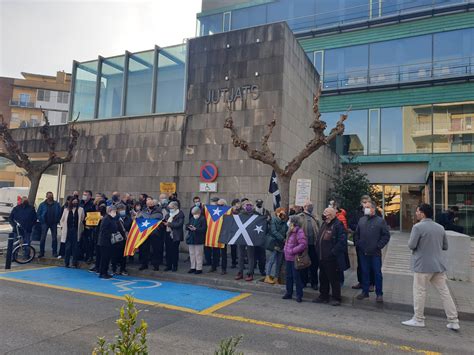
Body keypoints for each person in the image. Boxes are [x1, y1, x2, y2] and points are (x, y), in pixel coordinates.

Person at [402, 204, 460, 330]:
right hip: (438, 265)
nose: (416, 213)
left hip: (422, 265)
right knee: (445, 293)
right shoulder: (440, 227)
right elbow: (445, 246)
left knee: (419, 292)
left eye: (417, 211)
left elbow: (411, 245)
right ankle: (453, 320)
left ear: (422, 213)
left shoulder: (417, 227)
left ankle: (418, 318)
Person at [354, 201, 391, 303]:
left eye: (368, 207)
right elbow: (357, 233)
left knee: (377, 273)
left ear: (373, 209)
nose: (365, 209)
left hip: (375, 253)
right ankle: (364, 292)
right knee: (364, 272)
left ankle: (379, 294)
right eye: (364, 207)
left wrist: (378, 246)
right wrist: (358, 243)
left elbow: (386, 235)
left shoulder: (380, 221)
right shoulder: (362, 220)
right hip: (363, 252)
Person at [313, 208, 348, 306]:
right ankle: (323, 296)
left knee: (334, 279)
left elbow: (341, 242)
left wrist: (332, 253)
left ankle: (336, 298)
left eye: (326, 213)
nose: (324, 215)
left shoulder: (337, 225)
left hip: (331, 258)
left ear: (332, 215)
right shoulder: (325, 223)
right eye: (324, 212)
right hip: (322, 257)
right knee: (323, 277)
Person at [350, 195, 376, 291]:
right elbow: (351, 224)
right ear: (361, 203)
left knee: (371, 263)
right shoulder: (356, 212)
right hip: (360, 242)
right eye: (364, 202)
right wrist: (360, 227)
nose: (365, 204)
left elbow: (379, 223)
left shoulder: (374, 211)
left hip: (371, 242)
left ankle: (371, 284)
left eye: (367, 202)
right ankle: (361, 282)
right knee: (360, 263)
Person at [282, 215, 308, 303]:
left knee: (296, 277)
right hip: (288, 257)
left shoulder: (299, 231)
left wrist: (292, 250)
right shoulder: (290, 231)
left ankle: (299, 295)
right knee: (288, 276)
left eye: (290, 220)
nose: (288, 222)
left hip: (295, 258)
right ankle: (289, 293)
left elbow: (303, 244)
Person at [138, 198, 164, 271]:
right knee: (144, 249)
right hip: (145, 233)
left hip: (155, 233)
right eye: (149, 205)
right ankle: (144, 264)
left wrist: (144, 216)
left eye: (151, 204)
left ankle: (156, 265)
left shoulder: (158, 211)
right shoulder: (144, 211)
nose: (150, 205)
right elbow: (139, 218)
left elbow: (155, 218)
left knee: (155, 250)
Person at [264, 207, 288, 284]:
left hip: (281, 244)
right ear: (277, 213)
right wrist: (283, 239)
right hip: (274, 243)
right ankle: (267, 276)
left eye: (284, 213)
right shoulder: (273, 220)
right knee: (271, 260)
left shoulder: (285, 223)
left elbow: (286, 232)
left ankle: (276, 278)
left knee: (279, 262)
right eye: (281, 212)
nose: (283, 214)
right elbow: (274, 231)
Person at [299, 202, 320, 290]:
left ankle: (314, 282)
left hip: (313, 245)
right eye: (309, 205)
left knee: (314, 265)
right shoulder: (299, 217)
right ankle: (303, 282)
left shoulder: (315, 217)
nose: (311, 207)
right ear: (305, 207)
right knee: (304, 264)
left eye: (312, 205)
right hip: (303, 245)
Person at [60, 197, 85, 268]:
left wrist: (81, 228)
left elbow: (82, 219)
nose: (75, 203)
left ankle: (74, 263)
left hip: (76, 230)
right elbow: (62, 220)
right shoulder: (66, 210)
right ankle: (66, 263)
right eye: (73, 201)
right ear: (71, 202)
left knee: (75, 247)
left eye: (76, 202)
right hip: (68, 230)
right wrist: (62, 227)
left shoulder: (81, 210)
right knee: (67, 247)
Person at [235, 200, 257, 281]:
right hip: (241, 238)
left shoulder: (255, 215)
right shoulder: (240, 215)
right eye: (247, 205)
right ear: (243, 206)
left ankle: (250, 273)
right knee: (240, 256)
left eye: (250, 205)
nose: (248, 206)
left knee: (250, 256)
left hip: (250, 238)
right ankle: (240, 272)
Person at [97, 206, 120, 279]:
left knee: (107, 258)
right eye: (114, 211)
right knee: (104, 258)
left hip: (110, 241)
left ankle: (105, 272)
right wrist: (111, 235)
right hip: (105, 241)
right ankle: (102, 272)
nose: (115, 213)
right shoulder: (106, 219)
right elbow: (104, 230)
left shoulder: (112, 219)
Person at [37, 192, 61, 258]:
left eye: (51, 195)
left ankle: (54, 252)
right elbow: (38, 213)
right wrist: (41, 220)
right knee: (42, 238)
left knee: (54, 238)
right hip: (45, 223)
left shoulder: (57, 204)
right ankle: (41, 252)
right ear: (46, 196)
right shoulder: (42, 204)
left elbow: (60, 213)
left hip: (53, 223)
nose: (50, 197)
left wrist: (57, 220)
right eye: (49, 195)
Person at [163, 201, 184, 271]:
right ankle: (168, 265)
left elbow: (179, 224)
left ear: (175, 207)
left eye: (171, 207)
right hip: (167, 234)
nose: (170, 209)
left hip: (175, 235)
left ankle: (175, 266)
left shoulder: (180, 214)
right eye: (169, 207)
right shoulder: (168, 214)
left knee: (174, 251)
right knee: (168, 251)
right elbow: (165, 221)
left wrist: (169, 224)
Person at [186, 206, 207, 274]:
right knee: (192, 254)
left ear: (199, 213)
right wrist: (189, 227)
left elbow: (204, 229)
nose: (195, 215)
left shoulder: (203, 219)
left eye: (195, 214)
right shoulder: (192, 218)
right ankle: (193, 267)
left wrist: (196, 229)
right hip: (191, 238)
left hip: (199, 239)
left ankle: (199, 268)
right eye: (193, 214)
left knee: (198, 254)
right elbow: (187, 224)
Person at [111, 203, 130, 275]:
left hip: (125, 239)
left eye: (123, 209)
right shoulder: (114, 218)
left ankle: (123, 269)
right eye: (120, 209)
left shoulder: (128, 218)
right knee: (114, 255)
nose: (122, 211)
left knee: (123, 255)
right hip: (116, 239)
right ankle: (114, 269)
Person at [254, 199, 270, 276]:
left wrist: (268, 219)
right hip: (254, 236)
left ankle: (262, 270)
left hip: (263, 236)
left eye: (260, 203)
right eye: (258, 203)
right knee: (253, 254)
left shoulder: (266, 212)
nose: (259, 204)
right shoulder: (253, 212)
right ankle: (252, 268)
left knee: (262, 256)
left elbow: (270, 221)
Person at [80, 190, 96, 262]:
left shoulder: (92, 205)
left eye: (86, 194)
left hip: (89, 226)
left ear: (90, 196)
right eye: (83, 194)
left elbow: (94, 215)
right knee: (82, 241)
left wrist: (89, 224)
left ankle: (89, 257)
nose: (84, 196)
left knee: (89, 242)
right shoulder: (81, 203)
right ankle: (81, 255)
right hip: (81, 225)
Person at [204, 196, 220, 266]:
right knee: (207, 247)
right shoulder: (208, 209)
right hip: (208, 230)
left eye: (214, 201)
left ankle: (216, 262)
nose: (213, 203)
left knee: (216, 249)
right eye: (212, 201)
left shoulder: (221, 209)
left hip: (216, 231)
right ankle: (208, 261)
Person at [229, 198, 241, 268]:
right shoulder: (230, 211)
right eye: (238, 203)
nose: (239, 205)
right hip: (232, 231)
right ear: (234, 204)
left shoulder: (241, 211)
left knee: (240, 248)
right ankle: (233, 262)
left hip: (240, 231)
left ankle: (240, 262)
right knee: (233, 248)